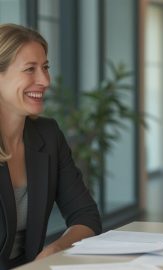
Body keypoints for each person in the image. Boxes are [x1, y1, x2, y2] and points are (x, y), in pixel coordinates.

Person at [0, 23, 102, 269]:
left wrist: (55, 250)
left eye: (45, 68)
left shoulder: (48, 134)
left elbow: (86, 216)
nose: (45, 80)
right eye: (30, 69)